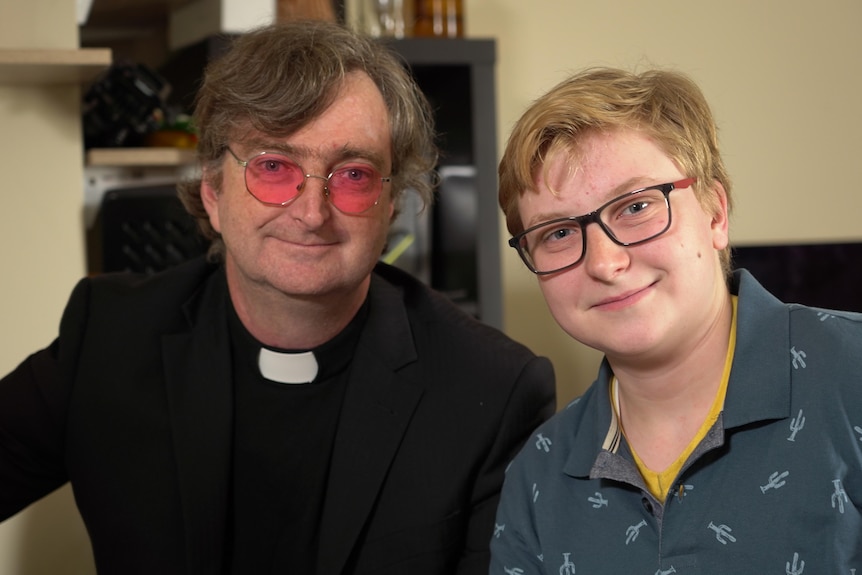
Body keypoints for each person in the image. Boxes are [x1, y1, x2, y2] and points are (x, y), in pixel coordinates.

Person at [0, 20, 556, 575]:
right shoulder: (110, 335)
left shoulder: (492, 389)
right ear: (213, 192)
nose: (311, 213)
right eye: (272, 167)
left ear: (391, 207)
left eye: (354, 174)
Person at [490, 67, 862, 574]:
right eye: (557, 234)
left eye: (637, 206)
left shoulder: (851, 376)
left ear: (715, 214)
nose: (604, 263)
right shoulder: (539, 471)